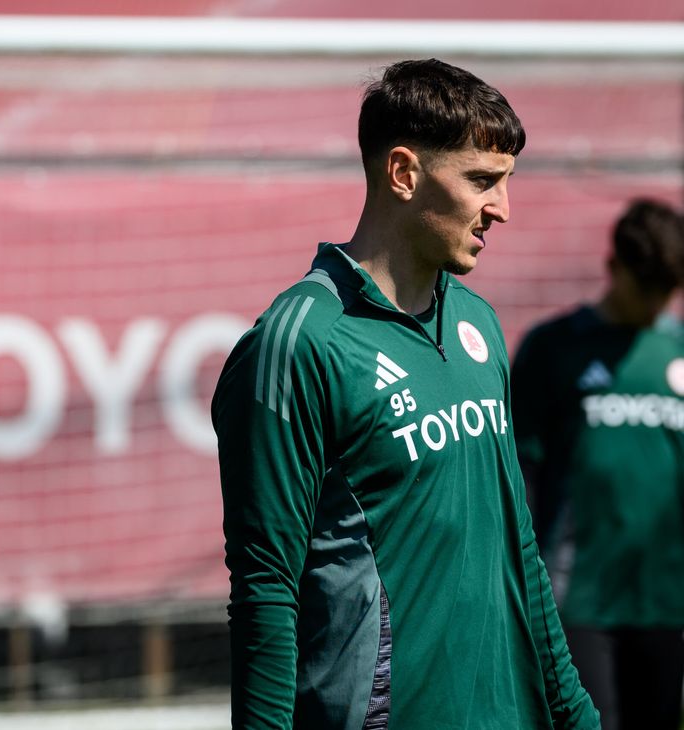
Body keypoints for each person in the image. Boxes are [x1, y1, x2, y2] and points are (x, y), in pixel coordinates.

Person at [211, 58, 600, 729]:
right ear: (403, 174)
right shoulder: (299, 343)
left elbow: (519, 545)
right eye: (482, 181)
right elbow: (265, 592)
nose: (501, 209)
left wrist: (573, 709)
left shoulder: (478, 320)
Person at [511, 199, 684, 730]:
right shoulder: (553, 348)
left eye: (667, 291)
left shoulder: (678, 348)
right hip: (576, 599)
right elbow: (519, 473)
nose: (655, 303)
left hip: (666, 600)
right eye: (645, 287)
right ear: (614, 269)